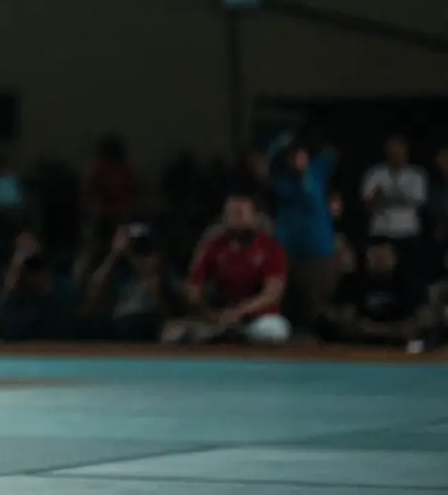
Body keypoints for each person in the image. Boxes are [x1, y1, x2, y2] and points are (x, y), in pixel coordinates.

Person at [167, 192, 291, 345]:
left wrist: (239, 312)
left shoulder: (271, 249)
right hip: (219, 318)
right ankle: (220, 336)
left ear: (255, 218)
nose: (233, 221)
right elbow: (194, 289)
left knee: (275, 331)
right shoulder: (214, 246)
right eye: (229, 215)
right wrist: (210, 313)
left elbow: (272, 293)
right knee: (172, 333)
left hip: (257, 319)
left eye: (239, 214)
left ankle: (235, 336)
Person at [313, 239, 440, 348]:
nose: (380, 261)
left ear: (394, 258)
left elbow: (420, 315)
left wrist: (398, 329)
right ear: (367, 258)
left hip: (401, 335)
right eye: (375, 256)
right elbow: (345, 316)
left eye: (384, 256)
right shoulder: (353, 280)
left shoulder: (408, 281)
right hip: (361, 335)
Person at [268, 133, 338, 327]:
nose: (297, 159)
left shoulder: (318, 170)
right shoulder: (280, 182)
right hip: (287, 254)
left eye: (300, 153)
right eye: (292, 155)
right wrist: (283, 144)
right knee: (285, 310)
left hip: (318, 254)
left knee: (319, 309)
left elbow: (331, 152)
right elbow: (269, 164)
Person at [80, 223, 179, 342]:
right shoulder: (119, 271)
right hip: (120, 325)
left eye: (143, 249)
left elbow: (166, 309)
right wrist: (115, 255)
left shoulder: (164, 272)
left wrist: (130, 254)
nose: (140, 254)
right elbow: (93, 294)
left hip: (150, 324)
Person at [360, 134, 426, 277]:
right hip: (382, 232)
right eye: (393, 151)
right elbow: (367, 204)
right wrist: (379, 197)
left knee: (408, 276)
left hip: (408, 232)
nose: (396, 155)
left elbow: (418, 200)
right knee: (382, 277)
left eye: (399, 151)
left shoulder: (416, 175)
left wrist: (391, 194)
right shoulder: (375, 174)